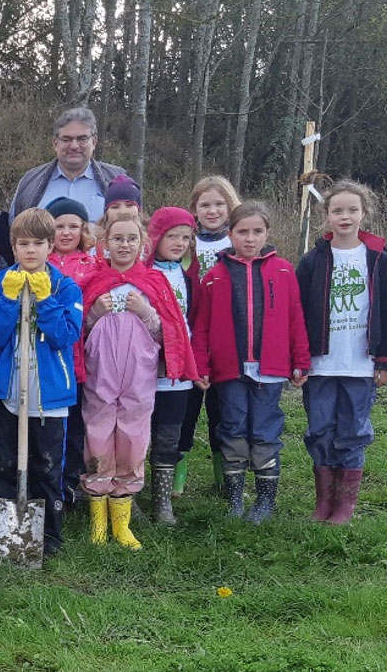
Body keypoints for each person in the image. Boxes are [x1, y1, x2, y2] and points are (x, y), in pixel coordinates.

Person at [79, 212, 194, 549]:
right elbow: (79, 332)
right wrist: (95, 314)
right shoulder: (94, 282)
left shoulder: (154, 282)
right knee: (98, 434)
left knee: (134, 436)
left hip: (139, 377)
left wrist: (146, 313)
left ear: (143, 244)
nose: (125, 245)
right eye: (118, 239)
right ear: (105, 244)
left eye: (132, 239)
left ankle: (122, 522)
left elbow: (168, 331)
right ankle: (98, 520)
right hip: (101, 375)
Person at [193, 202, 309, 525]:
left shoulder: (283, 271)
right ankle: (234, 499)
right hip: (229, 369)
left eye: (257, 231)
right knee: (232, 428)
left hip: (270, 368)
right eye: (242, 232)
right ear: (230, 234)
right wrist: (201, 364)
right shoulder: (214, 276)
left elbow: (295, 318)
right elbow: (202, 326)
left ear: (267, 233)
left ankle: (265, 500)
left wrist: (300, 360)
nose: (250, 238)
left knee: (265, 429)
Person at [296, 181, 387, 526]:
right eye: (337, 210)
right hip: (320, 364)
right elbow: (296, 313)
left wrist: (386, 360)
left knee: (353, 431)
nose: (345, 216)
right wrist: (298, 359)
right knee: (320, 428)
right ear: (326, 215)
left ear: (363, 213)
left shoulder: (376, 259)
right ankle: (323, 501)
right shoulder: (313, 261)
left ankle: (344, 506)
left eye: (352, 210)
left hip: (360, 364)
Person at [0, 209, 83, 555]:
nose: (30, 250)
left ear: (50, 246)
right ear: (13, 246)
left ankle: (50, 535)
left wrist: (46, 300)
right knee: (6, 463)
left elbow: (66, 335)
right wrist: (10, 300)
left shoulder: (64, 286)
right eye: (23, 243)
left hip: (49, 394)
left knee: (47, 465)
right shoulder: (1, 283)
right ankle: (9, 533)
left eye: (38, 243)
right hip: (10, 391)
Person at [185, 175, 241, 495]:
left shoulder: (238, 242)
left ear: (230, 206)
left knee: (224, 412)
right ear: (194, 209)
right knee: (186, 412)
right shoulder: (185, 242)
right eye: (205, 204)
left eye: (220, 204)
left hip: (226, 339)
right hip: (191, 337)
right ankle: (175, 481)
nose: (213, 210)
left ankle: (225, 478)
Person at [144, 208, 200, 525]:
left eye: (185, 237)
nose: (179, 243)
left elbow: (197, 321)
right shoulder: (142, 273)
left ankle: (162, 502)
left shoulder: (190, 279)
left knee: (169, 436)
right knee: (137, 435)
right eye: (172, 236)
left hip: (178, 373)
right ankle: (129, 496)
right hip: (144, 369)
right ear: (156, 237)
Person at [45, 196, 97, 505]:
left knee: (76, 424)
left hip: (82, 357)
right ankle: (48, 479)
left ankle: (71, 482)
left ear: (83, 229)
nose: (66, 233)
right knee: (53, 425)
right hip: (51, 356)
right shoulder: (42, 263)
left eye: (73, 226)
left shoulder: (93, 265)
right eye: (59, 226)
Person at [8, 107, 128, 218]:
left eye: (82, 139)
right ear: (55, 143)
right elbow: (14, 228)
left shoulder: (116, 179)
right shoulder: (30, 181)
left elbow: (133, 226)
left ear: (94, 142)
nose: (74, 146)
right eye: (66, 139)